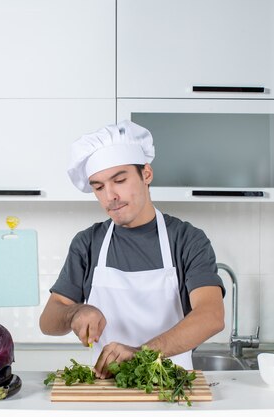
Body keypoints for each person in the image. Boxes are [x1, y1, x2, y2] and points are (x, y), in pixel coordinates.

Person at [39, 120, 226, 378]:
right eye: (99, 187)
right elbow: (48, 321)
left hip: (172, 390)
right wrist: (76, 312)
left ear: (146, 174)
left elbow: (211, 315)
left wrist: (141, 353)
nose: (110, 196)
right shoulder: (88, 243)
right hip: (106, 391)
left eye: (119, 180)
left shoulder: (187, 240)